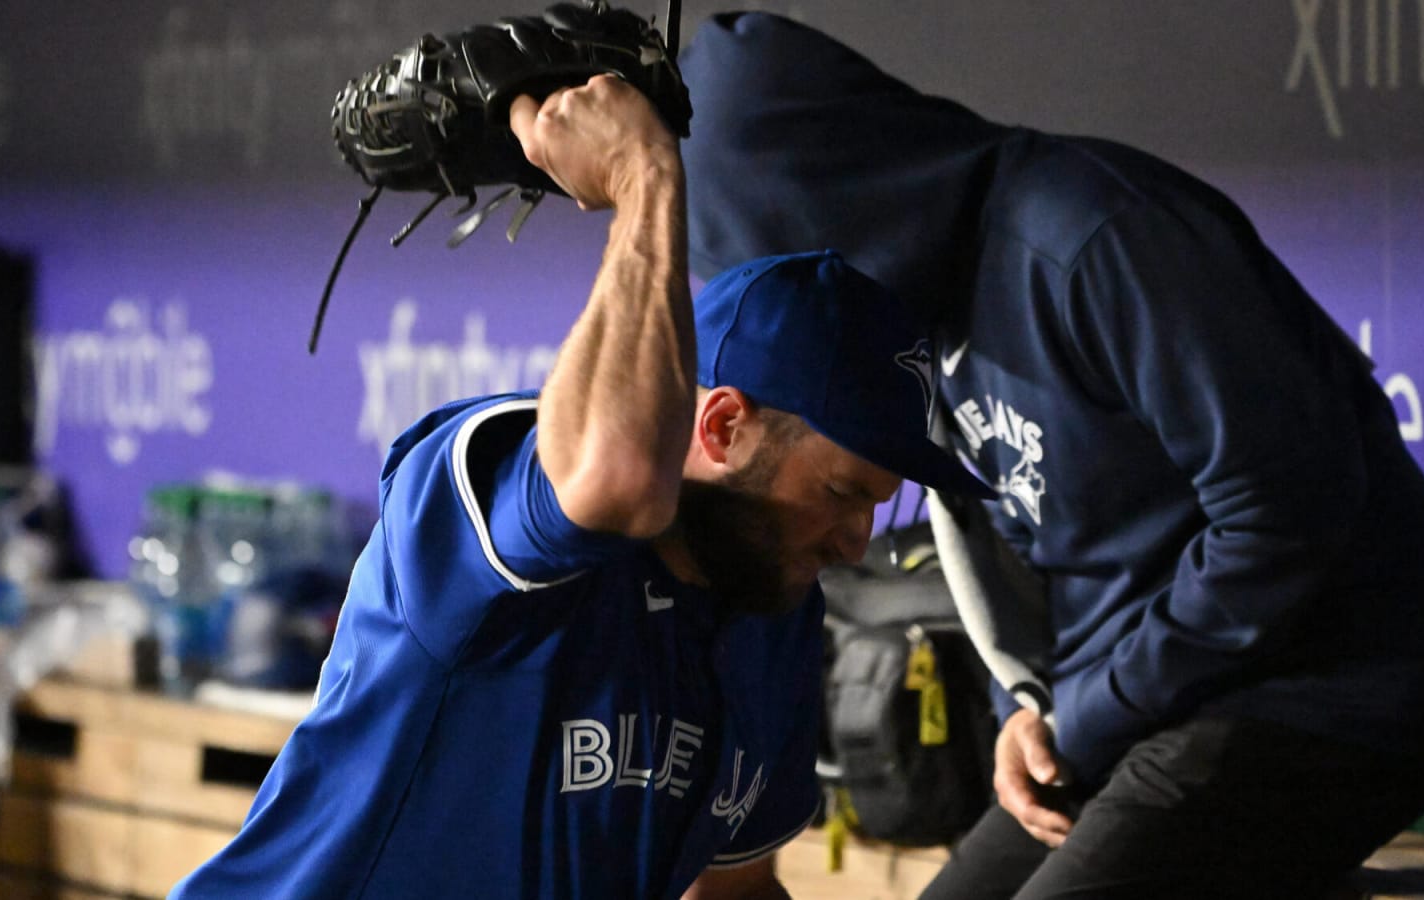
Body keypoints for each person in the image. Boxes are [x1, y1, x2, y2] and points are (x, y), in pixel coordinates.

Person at [678, 13, 1424, 900]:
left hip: (1334, 687)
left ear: (828, 193)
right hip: (1145, 709)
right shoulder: (915, 306)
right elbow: (1039, 560)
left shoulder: (1094, 235)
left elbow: (1286, 514)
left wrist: (1089, 713)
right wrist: (1033, 711)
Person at [170, 75, 990, 900]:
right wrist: (644, 174)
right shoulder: (485, 486)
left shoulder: (772, 612)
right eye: (845, 492)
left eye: (878, 505)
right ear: (720, 428)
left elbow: (733, 893)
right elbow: (617, 477)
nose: (857, 540)